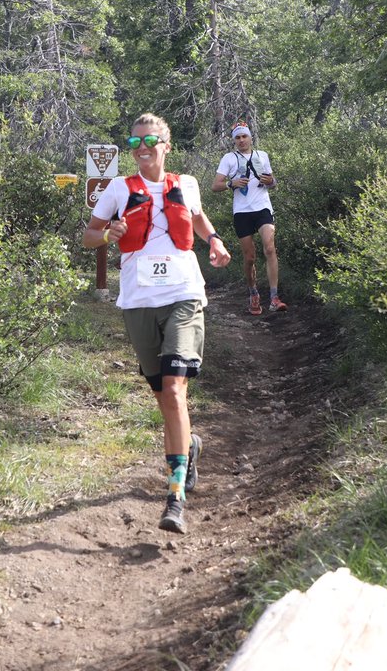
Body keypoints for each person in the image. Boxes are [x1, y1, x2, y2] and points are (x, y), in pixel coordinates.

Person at [83, 113, 232, 534]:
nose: (142, 147)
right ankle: (190, 445)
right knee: (163, 398)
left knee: (174, 388)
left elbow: (198, 218)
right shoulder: (118, 189)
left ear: (167, 145)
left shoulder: (186, 184)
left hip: (184, 295)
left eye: (150, 140)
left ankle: (175, 496)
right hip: (138, 301)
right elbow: (88, 236)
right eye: (135, 142)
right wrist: (109, 234)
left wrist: (215, 240)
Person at [212, 121, 286, 315]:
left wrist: (271, 181)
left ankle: (274, 297)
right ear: (234, 141)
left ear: (251, 138)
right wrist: (231, 183)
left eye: (244, 136)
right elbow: (215, 185)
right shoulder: (229, 158)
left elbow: (273, 182)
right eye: (238, 137)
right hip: (242, 211)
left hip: (262, 207)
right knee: (250, 257)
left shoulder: (262, 156)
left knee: (269, 247)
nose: (241, 140)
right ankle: (253, 293)